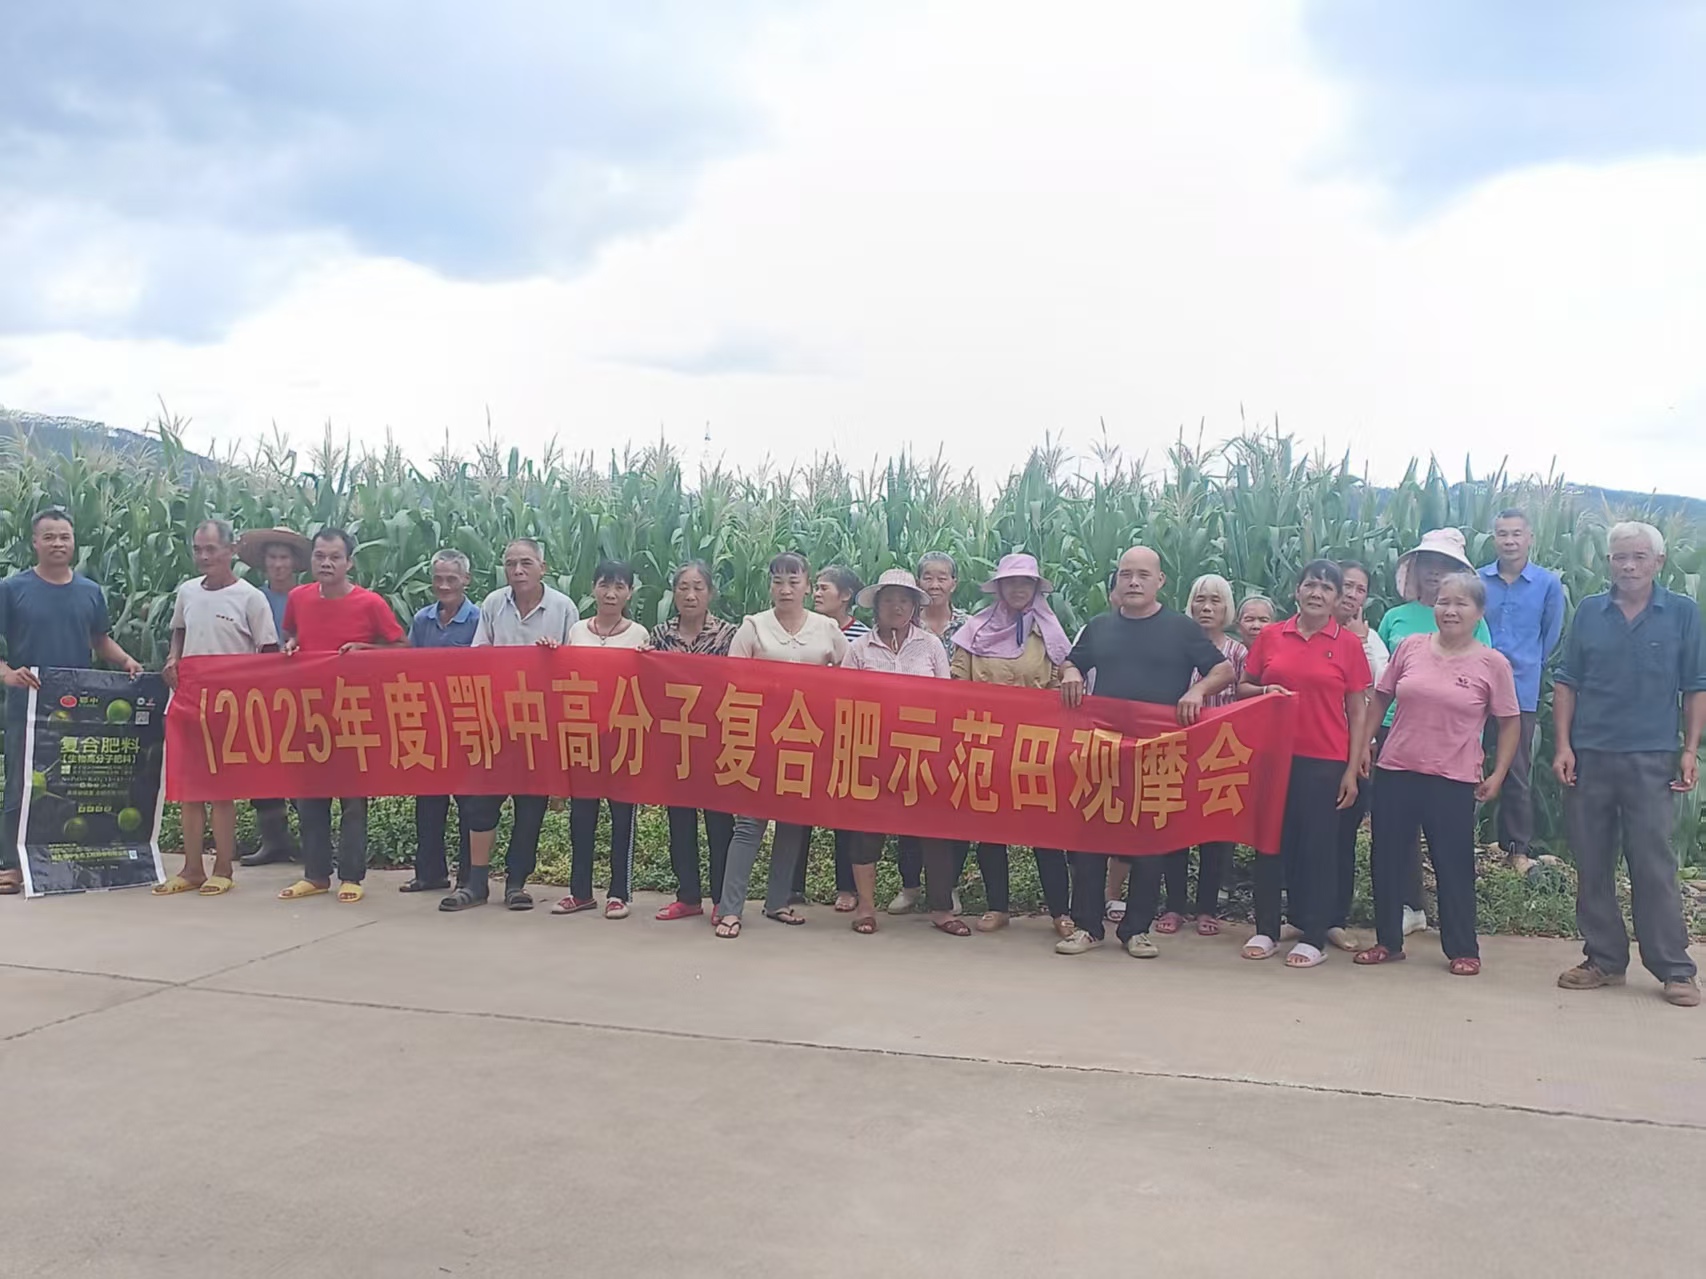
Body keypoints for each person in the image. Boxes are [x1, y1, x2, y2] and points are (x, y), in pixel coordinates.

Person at [1055, 546, 1234, 958]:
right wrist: (1071, 672)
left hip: (1159, 751)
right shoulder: (1100, 627)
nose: (1133, 582)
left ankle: (1137, 929)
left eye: (1142, 575)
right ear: (1117, 580)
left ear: (1160, 581)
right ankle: (1087, 927)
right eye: (1125, 574)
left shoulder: (1181, 629)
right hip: (1104, 750)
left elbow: (1223, 669)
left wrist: (1197, 690)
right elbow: (1070, 662)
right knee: (1090, 841)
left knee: (1150, 844)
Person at [1553, 522, 1704, 1007]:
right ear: (1608, 562)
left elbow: (1695, 686)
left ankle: (1675, 968)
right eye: (1620, 557)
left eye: (1639, 557)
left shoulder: (1682, 613)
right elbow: (1567, 681)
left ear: (1659, 562)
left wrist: (1689, 749)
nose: (1629, 566)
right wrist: (1563, 745)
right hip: (1591, 755)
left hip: (1651, 758)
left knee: (1653, 863)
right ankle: (1604, 959)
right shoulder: (1590, 612)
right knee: (1592, 860)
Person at [1356, 572, 1519, 973]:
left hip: (1453, 777)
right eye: (1444, 602)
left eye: (1461, 603)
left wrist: (1498, 773)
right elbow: (1381, 698)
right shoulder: (1411, 647)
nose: (1450, 610)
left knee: (1453, 863)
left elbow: (1509, 722)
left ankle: (1463, 949)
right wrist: (1364, 744)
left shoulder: (1492, 664)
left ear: (1479, 612)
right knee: (1387, 858)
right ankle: (1388, 941)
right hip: (1396, 769)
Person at [0, 507, 144, 896]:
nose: (57, 544)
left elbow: (99, 639)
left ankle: (63, 859)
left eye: (64, 537)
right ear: (35, 542)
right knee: (21, 785)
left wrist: (126, 661)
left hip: (77, 705)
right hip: (28, 703)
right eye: (49, 537)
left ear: (74, 541)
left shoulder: (89, 591)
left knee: (70, 783)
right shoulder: (12, 589)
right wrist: (7, 674)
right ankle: (12, 865)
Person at [1239, 560, 1372, 968]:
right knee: (1269, 844)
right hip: (1272, 756)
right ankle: (1266, 928)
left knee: (1318, 848)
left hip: (1325, 759)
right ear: (1296, 591)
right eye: (1310, 585)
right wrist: (1265, 690)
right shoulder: (1272, 636)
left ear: (1338, 598)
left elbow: (1357, 708)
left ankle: (1314, 935)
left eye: (1327, 588)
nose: (1317, 593)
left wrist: (1352, 768)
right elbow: (1244, 686)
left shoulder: (1348, 645)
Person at [715, 553, 850, 939]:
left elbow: (852, 677)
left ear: (807, 585)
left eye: (794, 581)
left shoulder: (827, 629)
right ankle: (730, 909)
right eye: (778, 581)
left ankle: (777, 902)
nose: (785, 589)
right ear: (770, 585)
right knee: (749, 824)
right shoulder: (753, 627)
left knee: (792, 822)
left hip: (806, 739)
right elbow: (731, 679)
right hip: (758, 738)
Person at [441, 539, 578, 913]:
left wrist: (554, 657)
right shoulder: (493, 604)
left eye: (526, 563)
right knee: (479, 805)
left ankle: (517, 883)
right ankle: (475, 882)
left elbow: (576, 666)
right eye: (511, 564)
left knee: (530, 809)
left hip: (540, 726)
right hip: (495, 722)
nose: (518, 571)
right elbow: (478, 655)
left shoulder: (563, 608)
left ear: (542, 568)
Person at [276, 527, 406, 903]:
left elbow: (402, 647)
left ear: (349, 563)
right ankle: (315, 875)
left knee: (353, 801)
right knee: (309, 798)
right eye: (320, 556)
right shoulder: (298, 598)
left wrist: (366, 650)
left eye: (335, 557)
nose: (326, 563)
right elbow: (293, 635)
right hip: (309, 712)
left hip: (354, 714)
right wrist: (291, 645)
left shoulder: (370, 603)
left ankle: (351, 876)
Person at [949, 553, 1074, 937]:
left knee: (1045, 832)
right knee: (991, 830)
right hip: (986, 742)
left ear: (1035, 588)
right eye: (1011, 582)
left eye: (1026, 583)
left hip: (1036, 746)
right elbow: (956, 683)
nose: (1018, 589)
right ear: (999, 588)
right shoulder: (974, 630)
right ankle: (997, 906)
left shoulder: (1049, 632)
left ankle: (1060, 912)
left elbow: (1062, 681)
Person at [1377, 528, 1492, 935]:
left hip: (1450, 745)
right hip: (1395, 735)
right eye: (1428, 563)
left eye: (1445, 565)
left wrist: (1475, 751)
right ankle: (1406, 911)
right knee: (1395, 839)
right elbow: (1381, 681)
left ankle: (1458, 936)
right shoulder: (1395, 618)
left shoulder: (1475, 626)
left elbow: (1482, 691)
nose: (1434, 572)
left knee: (1449, 843)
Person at [156, 519, 280, 896]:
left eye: (211, 549)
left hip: (230, 705)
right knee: (189, 789)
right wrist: (173, 658)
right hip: (188, 700)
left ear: (232, 550)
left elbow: (268, 651)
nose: (204, 556)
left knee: (222, 789)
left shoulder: (250, 598)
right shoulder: (188, 591)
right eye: (198, 549)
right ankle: (192, 868)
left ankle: (223, 866)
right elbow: (179, 630)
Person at [841, 569, 965, 935]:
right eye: (889, 600)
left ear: (914, 606)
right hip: (873, 751)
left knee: (935, 830)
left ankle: (941, 909)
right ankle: (866, 908)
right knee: (866, 830)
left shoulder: (930, 645)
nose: (896, 607)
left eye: (904, 600)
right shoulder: (859, 649)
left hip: (924, 752)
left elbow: (946, 699)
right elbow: (844, 699)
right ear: (876, 605)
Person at [1150, 573, 1248, 937]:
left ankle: (1207, 907)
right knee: (1175, 827)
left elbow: (1246, 698)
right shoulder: (1174, 646)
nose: (1206, 607)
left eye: (1215, 601)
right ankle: (1174, 905)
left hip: (1221, 754)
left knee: (1215, 833)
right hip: (1178, 749)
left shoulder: (1238, 653)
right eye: (1200, 600)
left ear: (1227, 608)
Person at [1478, 509, 1567, 877]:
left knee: (1516, 768)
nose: (1510, 541)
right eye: (1503, 534)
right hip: (1475, 684)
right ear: (1494, 538)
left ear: (1530, 538)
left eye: (1516, 533)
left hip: (1520, 689)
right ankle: (1461, 836)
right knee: (1464, 759)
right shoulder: (1477, 580)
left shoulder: (1547, 584)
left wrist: (1529, 664)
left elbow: (1551, 635)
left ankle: (1517, 846)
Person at [650, 560, 738, 921]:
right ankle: (687, 896)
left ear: (710, 593)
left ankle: (721, 899)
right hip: (676, 741)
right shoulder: (659, 635)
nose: (690, 595)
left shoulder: (728, 635)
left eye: (698, 587)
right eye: (683, 587)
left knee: (720, 824)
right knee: (680, 822)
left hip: (718, 741)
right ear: (673, 594)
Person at [564, 560, 650, 919]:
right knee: (581, 817)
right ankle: (580, 892)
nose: (610, 593)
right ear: (593, 588)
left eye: (619, 587)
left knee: (622, 818)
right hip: (583, 734)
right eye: (604, 585)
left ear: (630, 593)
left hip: (622, 736)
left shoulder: (639, 635)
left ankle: (619, 893)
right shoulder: (576, 630)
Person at [889, 552, 971, 914]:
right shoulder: (902, 620)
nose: (935, 584)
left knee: (954, 810)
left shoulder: (971, 626)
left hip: (957, 731)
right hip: (908, 731)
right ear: (918, 583)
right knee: (907, 809)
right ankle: (910, 885)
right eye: (928, 577)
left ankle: (948, 885)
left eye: (942, 578)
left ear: (954, 583)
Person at [399, 550, 480, 894]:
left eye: (451, 579)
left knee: (469, 804)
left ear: (466, 580)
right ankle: (429, 873)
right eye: (438, 579)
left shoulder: (478, 619)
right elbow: (409, 664)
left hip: (466, 722)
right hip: (430, 721)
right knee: (429, 802)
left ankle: (468, 876)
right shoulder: (422, 620)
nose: (444, 586)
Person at [234, 526, 311, 868]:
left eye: (284, 558)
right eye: (272, 558)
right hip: (261, 692)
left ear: (294, 563)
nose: (278, 564)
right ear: (264, 563)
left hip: (302, 692)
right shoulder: (251, 598)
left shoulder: (309, 597)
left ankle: (313, 841)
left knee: (303, 766)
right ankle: (273, 841)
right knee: (262, 764)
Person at [792, 564, 868, 906]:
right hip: (805, 729)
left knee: (844, 812)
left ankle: (846, 888)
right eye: (817, 587)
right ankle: (792, 885)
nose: (817, 593)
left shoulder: (862, 636)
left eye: (825, 588)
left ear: (846, 595)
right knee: (799, 810)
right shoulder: (803, 628)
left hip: (846, 733)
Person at [1326, 560, 1389, 950]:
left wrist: (1362, 642)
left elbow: (1382, 686)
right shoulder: (1303, 631)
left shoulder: (1371, 639)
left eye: (1360, 589)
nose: (1351, 595)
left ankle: (1335, 918)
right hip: (1308, 748)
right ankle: (1300, 915)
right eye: (1346, 585)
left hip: (1352, 748)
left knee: (1342, 837)